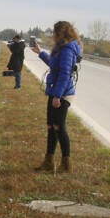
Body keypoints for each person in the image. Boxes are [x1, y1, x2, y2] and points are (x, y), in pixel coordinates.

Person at [31, 21, 82, 172]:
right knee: (51, 127)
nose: (52, 35)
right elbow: (55, 65)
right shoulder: (61, 47)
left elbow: (65, 74)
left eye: (54, 32)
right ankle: (49, 162)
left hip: (62, 94)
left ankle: (66, 165)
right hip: (55, 92)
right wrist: (41, 53)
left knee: (59, 127)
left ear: (61, 33)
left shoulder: (67, 49)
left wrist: (57, 96)